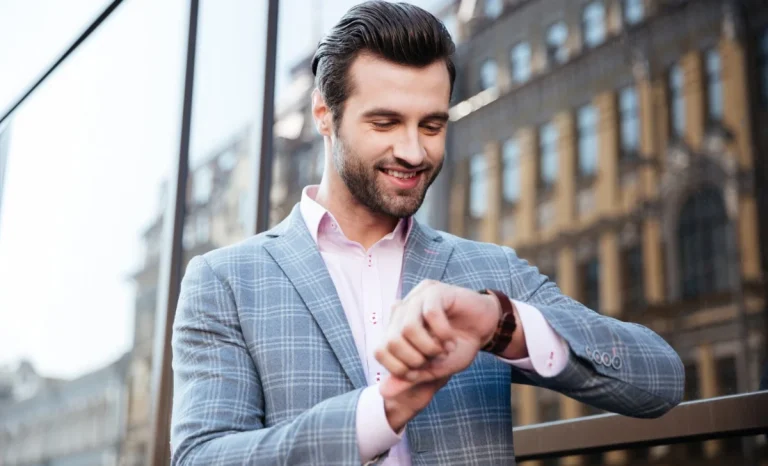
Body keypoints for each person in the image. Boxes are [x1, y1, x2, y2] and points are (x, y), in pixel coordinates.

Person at [169, 2, 685, 465]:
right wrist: (382, 410)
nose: (414, 152)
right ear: (325, 116)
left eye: (432, 126)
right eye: (386, 123)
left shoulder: (487, 273)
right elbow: (204, 457)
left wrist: (499, 324)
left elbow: (660, 380)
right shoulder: (225, 281)